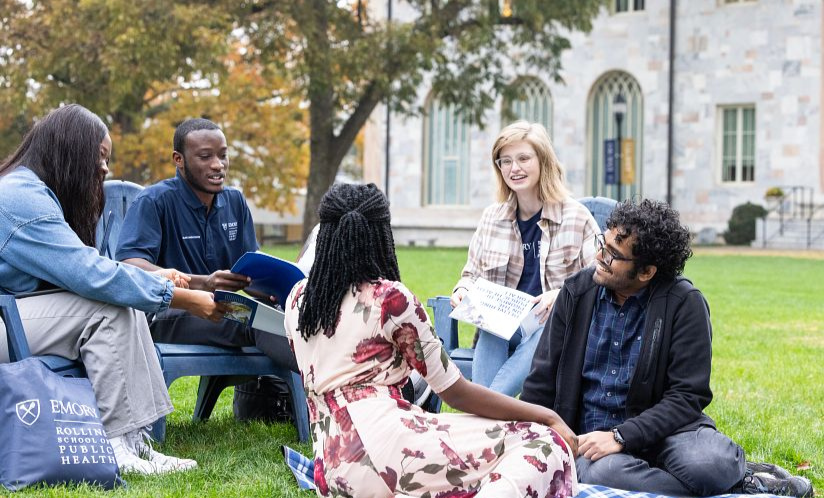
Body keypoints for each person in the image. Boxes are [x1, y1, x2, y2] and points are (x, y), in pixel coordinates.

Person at [284, 183, 579, 498]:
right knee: (543, 443)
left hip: (333, 471)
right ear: (382, 235)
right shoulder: (389, 299)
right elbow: (456, 393)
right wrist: (546, 415)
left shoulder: (297, 300)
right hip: (390, 452)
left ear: (326, 233)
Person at [521, 199, 813, 498]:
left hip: (666, 434)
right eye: (603, 245)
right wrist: (522, 437)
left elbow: (687, 396)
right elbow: (542, 379)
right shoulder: (577, 291)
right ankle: (741, 484)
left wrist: (622, 436)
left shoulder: (684, 303)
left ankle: (725, 476)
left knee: (710, 464)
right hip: (593, 443)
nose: (599, 257)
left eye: (613, 255)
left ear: (646, 271)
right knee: (601, 473)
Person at [0, 104, 228, 475]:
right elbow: (87, 273)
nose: (105, 168)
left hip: (18, 313)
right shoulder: (20, 199)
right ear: (72, 150)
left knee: (122, 302)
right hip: (5, 321)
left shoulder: (33, 190)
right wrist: (179, 297)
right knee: (108, 308)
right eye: (100, 156)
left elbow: (78, 266)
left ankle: (136, 441)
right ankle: (115, 443)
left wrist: (156, 280)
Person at [115, 118, 298, 377]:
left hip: (221, 310)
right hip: (167, 314)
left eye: (223, 156)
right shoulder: (154, 201)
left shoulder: (235, 202)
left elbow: (250, 273)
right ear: (178, 159)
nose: (218, 165)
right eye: (205, 156)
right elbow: (130, 266)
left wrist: (273, 290)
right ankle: (329, 382)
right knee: (255, 321)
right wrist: (204, 283)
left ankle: (320, 384)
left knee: (285, 314)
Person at [451, 121, 599, 396]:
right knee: (491, 328)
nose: (514, 168)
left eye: (523, 158)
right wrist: (462, 290)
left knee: (547, 325)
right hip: (505, 326)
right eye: (505, 161)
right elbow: (470, 275)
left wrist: (561, 294)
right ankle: (490, 411)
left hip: (558, 330)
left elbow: (601, 277)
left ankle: (484, 410)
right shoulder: (492, 218)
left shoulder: (576, 218)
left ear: (543, 161)